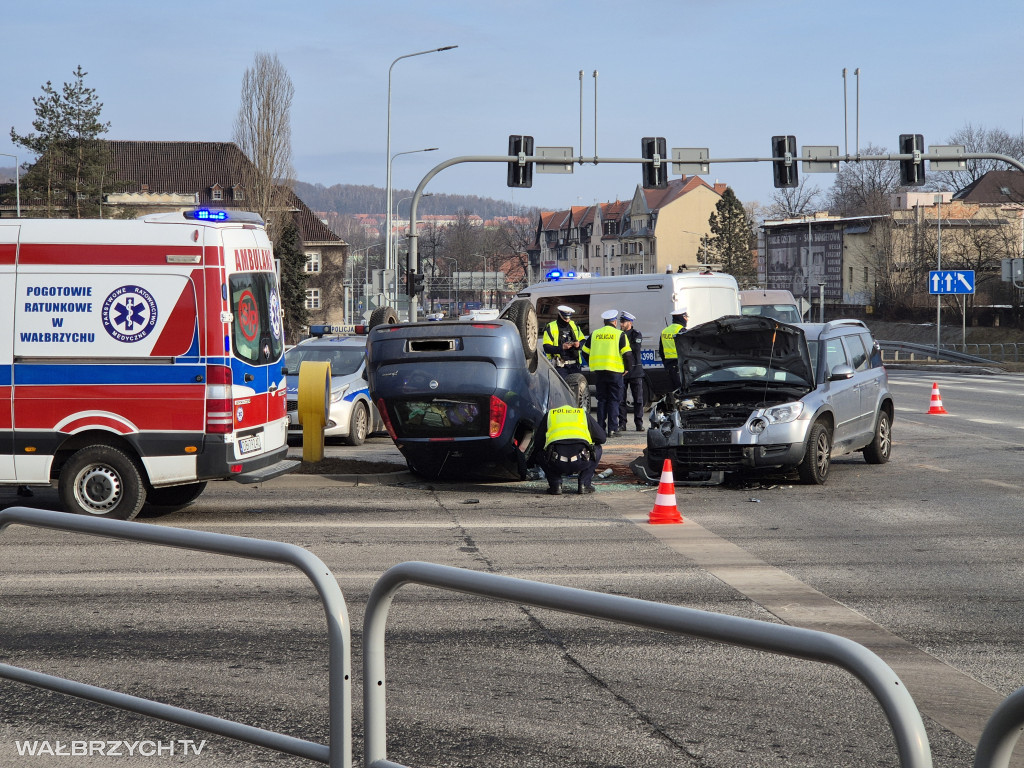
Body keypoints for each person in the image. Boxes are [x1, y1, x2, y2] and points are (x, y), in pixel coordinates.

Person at [532, 404, 606, 495]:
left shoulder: (550, 414)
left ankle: (555, 484)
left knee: (540, 453)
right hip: (581, 460)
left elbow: (538, 443)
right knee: (597, 448)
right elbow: (602, 438)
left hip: (556, 461)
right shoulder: (581, 414)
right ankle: (584, 484)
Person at [582, 309, 633, 438]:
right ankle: (612, 429)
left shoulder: (595, 334)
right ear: (614, 322)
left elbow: (584, 352)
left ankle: (600, 429)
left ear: (604, 322)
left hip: (599, 372)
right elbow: (627, 354)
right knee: (614, 400)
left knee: (602, 400)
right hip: (615, 373)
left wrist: (592, 362)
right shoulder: (620, 335)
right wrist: (627, 368)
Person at [617, 311, 645, 432]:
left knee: (638, 399)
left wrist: (623, 345)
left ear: (630, 322)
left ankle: (639, 423)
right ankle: (622, 423)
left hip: (635, 371)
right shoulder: (618, 334)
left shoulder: (636, 334)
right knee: (621, 399)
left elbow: (636, 348)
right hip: (622, 370)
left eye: (623, 322)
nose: (621, 324)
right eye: (621, 322)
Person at [542, 305, 585, 378]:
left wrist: (578, 345)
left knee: (577, 388)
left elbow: (583, 341)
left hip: (575, 366)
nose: (567, 320)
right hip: (560, 367)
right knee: (563, 389)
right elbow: (546, 347)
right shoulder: (551, 327)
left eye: (569, 318)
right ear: (560, 315)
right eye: (565, 318)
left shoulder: (574, 325)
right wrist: (562, 347)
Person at [659, 308, 688, 393]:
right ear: (682, 317)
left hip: (669, 365)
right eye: (686, 317)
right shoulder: (682, 331)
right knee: (684, 390)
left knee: (674, 389)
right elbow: (687, 349)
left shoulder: (664, 331)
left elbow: (661, 351)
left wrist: (666, 363)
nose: (687, 319)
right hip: (681, 364)